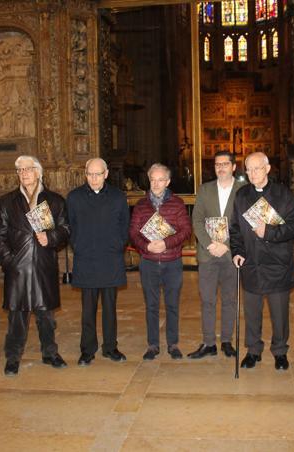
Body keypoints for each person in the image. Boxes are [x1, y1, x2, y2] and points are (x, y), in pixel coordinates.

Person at [0, 155, 70, 376]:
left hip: (43, 264)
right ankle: (13, 357)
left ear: (38, 172)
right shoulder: (7, 201)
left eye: (28, 169)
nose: (23, 173)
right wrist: (9, 262)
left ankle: (50, 353)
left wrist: (51, 237)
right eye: (19, 170)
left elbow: (65, 229)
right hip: (17, 267)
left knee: (45, 314)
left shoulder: (55, 200)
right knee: (17, 315)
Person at [230, 152, 294, 371]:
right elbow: (235, 230)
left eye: (256, 168)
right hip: (251, 263)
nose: (252, 174)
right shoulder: (242, 195)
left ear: (268, 169)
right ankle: (253, 351)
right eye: (248, 169)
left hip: (277, 264)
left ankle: (280, 352)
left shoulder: (283, 194)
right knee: (252, 312)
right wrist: (237, 251)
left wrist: (267, 231)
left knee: (279, 314)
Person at [67, 158, 130, 366]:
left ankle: (110, 347)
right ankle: (87, 350)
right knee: (88, 309)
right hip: (86, 259)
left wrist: (117, 245)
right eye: (89, 174)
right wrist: (78, 245)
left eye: (97, 174)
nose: (93, 178)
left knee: (110, 308)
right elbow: (70, 226)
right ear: (85, 174)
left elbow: (124, 225)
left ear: (106, 174)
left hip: (110, 259)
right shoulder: (74, 197)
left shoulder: (118, 197)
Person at [129, 163, 192, 360]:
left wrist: (166, 243)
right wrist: (145, 247)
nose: (156, 184)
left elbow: (186, 231)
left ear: (168, 181)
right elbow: (133, 232)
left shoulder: (178, 203)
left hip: (172, 261)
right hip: (148, 261)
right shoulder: (141, 205)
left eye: (160, 180)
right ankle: (153, 345)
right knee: (151, 305)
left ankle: (173, 344)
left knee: (172, 304)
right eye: (153, 180)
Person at [188, 151, 245, 359]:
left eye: (224, 164)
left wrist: (227, 246)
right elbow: (197, 220)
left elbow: (245, 223)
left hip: (231, 255)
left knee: (230, 300)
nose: (220, 168)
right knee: (207, 300)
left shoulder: (243, 190)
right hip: (208, 253)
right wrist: (211, 244)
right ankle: (209, 343)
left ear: (233, 167)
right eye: (217, 164)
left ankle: (227, 341)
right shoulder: (205, 190)